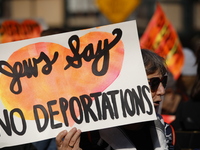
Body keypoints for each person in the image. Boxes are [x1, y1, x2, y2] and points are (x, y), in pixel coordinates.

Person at [56, 49, 174, 150]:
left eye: (163, 82)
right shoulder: (88, 136)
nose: (162, 91)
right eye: (153, 83)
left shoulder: (167, 132)